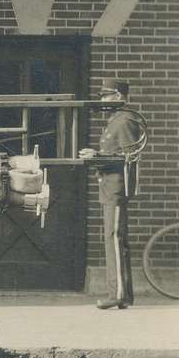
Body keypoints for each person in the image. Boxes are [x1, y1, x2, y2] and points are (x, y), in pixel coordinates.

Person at [78, 79, 141, 310]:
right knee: (116, 239)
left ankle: (117, 294)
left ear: (117, 96)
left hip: (116, 187)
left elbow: (127, 157)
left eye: (105, 96)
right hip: (110, 187)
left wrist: (95, 157)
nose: (102, 100)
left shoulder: (123, 120)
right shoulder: (116, 120)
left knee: (114, 239)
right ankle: (124, 296)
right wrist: (96, 155)